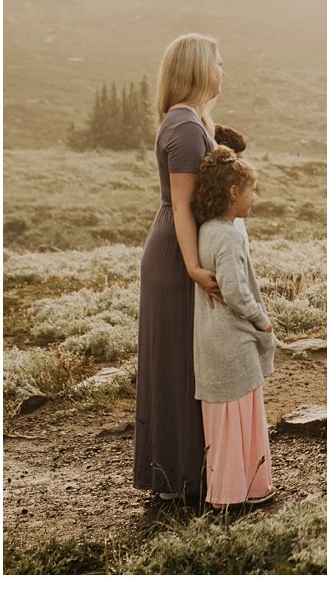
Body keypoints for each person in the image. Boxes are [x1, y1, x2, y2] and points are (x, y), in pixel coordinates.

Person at [135, 33, 224, 501]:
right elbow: (185, 206)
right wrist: (193, 266)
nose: (223, 71)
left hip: (175, 247)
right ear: (197, 69)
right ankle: (179, 476)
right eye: (218, 62)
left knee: (181, 359)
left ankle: (180, 471)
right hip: (175, 254)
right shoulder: (186, 127)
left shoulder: (189, 121)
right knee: (179, 362)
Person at [189, 145, 276, 510]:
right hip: (231, 342)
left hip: (212, 340)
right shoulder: (226, 235)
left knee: (226, 421)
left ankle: (242, 488)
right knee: (238, 418)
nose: (255, 197)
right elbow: (236, 292)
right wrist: (262, 319)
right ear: (233, 193)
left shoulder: (209, 229)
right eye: (252, 190)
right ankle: (233, 495)